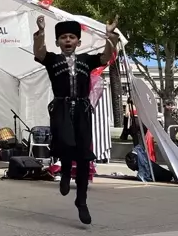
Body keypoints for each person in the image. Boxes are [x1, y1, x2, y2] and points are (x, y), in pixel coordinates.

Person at [33, 15, 119, 225]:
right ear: (58, 42)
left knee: (82, 156)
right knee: (64, 144)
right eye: (64, 37)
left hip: (82, 110)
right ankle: (63, 172)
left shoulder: (86, 60)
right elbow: (39, 52)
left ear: (78, 42)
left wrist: (110, 36)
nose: (68, 40)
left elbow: (106, 57)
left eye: (72, 37)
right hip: (61, 109)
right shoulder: (52, 60)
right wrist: (41, 32)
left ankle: (81, 201)